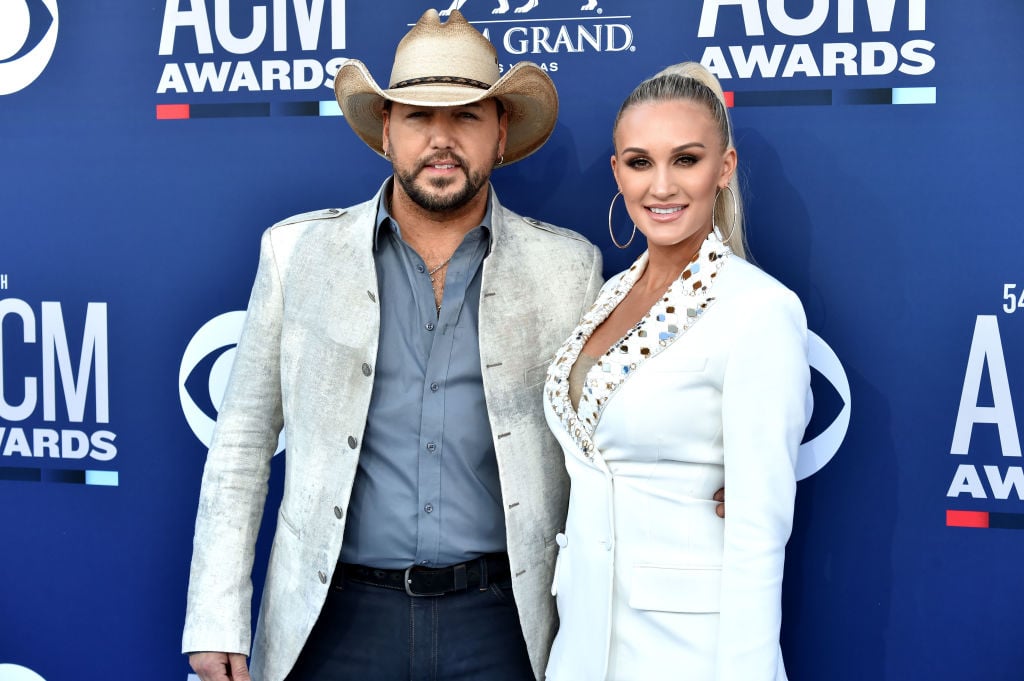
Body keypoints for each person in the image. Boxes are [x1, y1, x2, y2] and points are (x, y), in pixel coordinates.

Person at [180, 9, 605, 681]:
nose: (441, 139)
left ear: (500, 132)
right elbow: (240, 445)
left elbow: (604, 447)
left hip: (504, 626)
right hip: (334, 621)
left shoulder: (568, 270)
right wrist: (215, 615)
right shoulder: (297, 254)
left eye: (466, 117)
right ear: (385, 130)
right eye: (417, 117)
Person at [542, 62, 810, 680]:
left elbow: (758, 537)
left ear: (725, 167)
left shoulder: (759, 309)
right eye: (640, 163)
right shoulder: (610, 292)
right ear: (618, 172)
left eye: (685, 159)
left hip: (691, 651)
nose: (661, 186)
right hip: (583, 642)